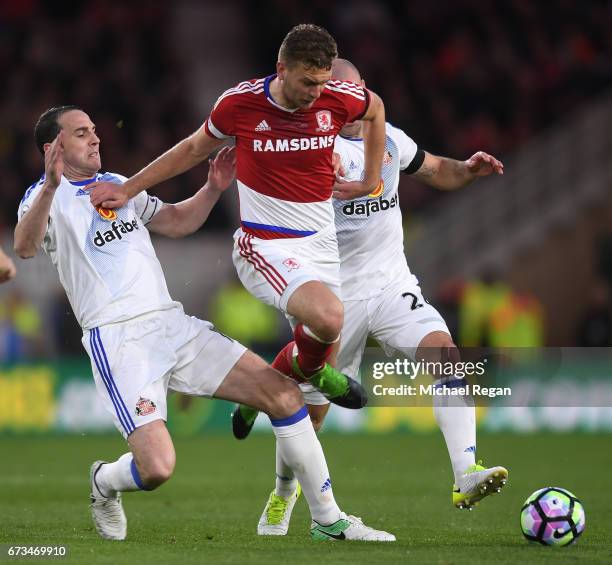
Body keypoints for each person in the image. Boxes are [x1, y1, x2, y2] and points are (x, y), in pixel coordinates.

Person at [14, 106, 395, 542]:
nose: (96, 138)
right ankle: (104, 481)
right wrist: (49, 184)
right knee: (157, 469)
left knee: (284, 394)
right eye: (82, 134)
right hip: (118, 338)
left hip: (171, 323)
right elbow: (24, 247)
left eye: (95, 130)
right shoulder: (43, 197)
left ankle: (328, 519)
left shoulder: (119, 185)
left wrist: (213, 188)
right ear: (54, 148)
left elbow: (177, 222)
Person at [232, 59, 509, 535]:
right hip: (334, 296)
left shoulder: (391, 139)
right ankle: (283, 493)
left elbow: (436, 169)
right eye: (338, 91)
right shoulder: (315, 148)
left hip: (391, 284)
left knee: (446, 355)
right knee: (307, 415)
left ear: (364, 92)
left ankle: (465, 475)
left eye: (357, 90)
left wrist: (468, 169)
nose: (352, 104)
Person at [88, 24, 387, 413]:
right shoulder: (241, 104)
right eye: (307, 83)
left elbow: (376, 109)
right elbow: (193, 149)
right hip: (269, 243)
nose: (316, 93)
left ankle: (281, 449)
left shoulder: (337, 96)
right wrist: (128, 189)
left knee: (312, 412)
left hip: (322, 246)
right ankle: (313, 372)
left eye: (322, 83)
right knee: (330, 318)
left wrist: (370, 179)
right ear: (281, 69)